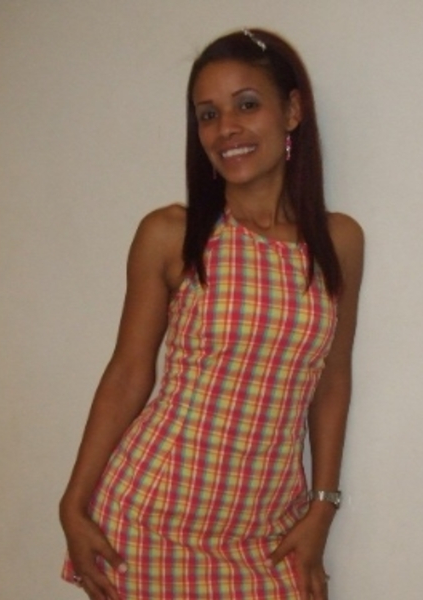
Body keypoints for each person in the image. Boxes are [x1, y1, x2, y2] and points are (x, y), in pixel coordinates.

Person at [59, 28, 364, 600]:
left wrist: (322, 507)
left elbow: (332, 380)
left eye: (246, 105)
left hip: (269, 532)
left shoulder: (338, 242)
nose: (226, 129)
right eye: (208, 114)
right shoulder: (171, 235)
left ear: (292, 111)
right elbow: (128, 374)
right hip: (149, 522)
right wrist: (72, 504)